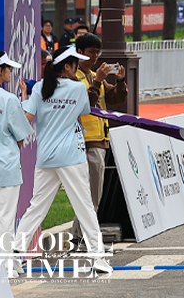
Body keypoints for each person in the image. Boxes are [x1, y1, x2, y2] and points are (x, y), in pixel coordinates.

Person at [17, 46, 107, 270]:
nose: (77, 68)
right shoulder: (76, 88)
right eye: (75, 64)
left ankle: (14, 254)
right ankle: (98, 258)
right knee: (85, 206)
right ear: (66, 66)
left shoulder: (40, 87)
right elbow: (87, 108)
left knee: (36, 207)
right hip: (71, 157)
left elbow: (26, 117)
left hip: (45, 157)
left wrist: (23, 97)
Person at [70, 32, 126, 244]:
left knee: (93, 192)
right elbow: (87, 101)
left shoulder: (94, 76)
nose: (95, 56)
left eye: (97, 52)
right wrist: (99, 81)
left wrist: (119, 81)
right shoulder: (73, 78)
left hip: (98, 140)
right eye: (91, 52)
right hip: (82, 140)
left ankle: (79, 235)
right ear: (79, 52)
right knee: (88, 192)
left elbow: (116, 98)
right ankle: (80, 236)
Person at [0, 51, 33, 254]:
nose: (11, 72)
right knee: (5, 221)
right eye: (8, 68)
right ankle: (5, 266)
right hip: (6, 169)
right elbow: (21, 135)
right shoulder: (9, 99)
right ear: (0, 70)